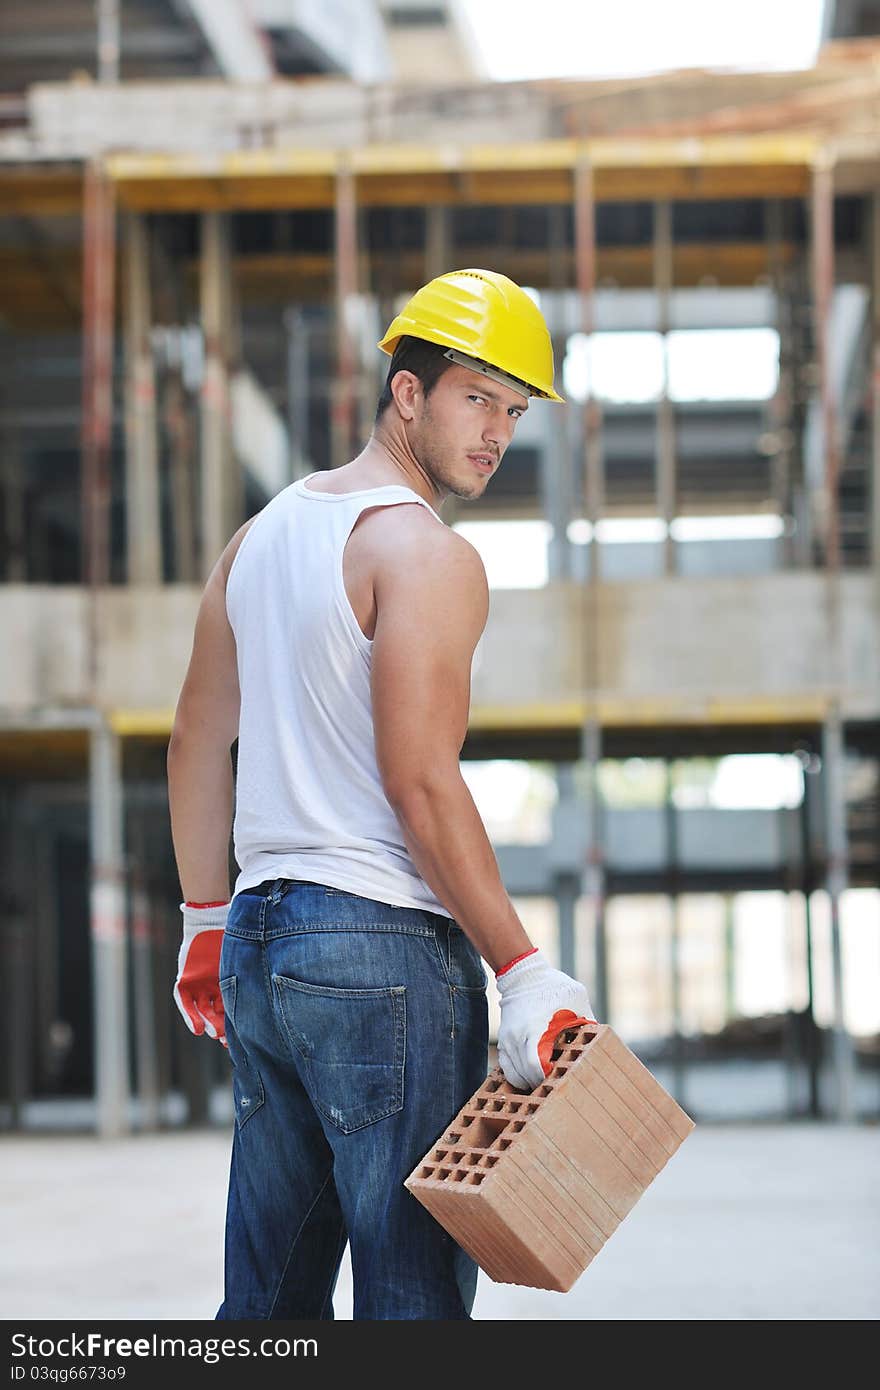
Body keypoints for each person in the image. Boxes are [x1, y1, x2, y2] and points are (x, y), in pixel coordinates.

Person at [167, 268, 596, 1321]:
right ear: (407, 392)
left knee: (266, 1304)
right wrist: (521, 964)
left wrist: (206, 920)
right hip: (381, 953)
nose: (496, 430)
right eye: (475, 397)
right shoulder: (426, 552)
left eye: (513, 407)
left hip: (268, 948)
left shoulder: (257, 540)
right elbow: (418, 778)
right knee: (409, 1301)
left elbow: (193, 739)